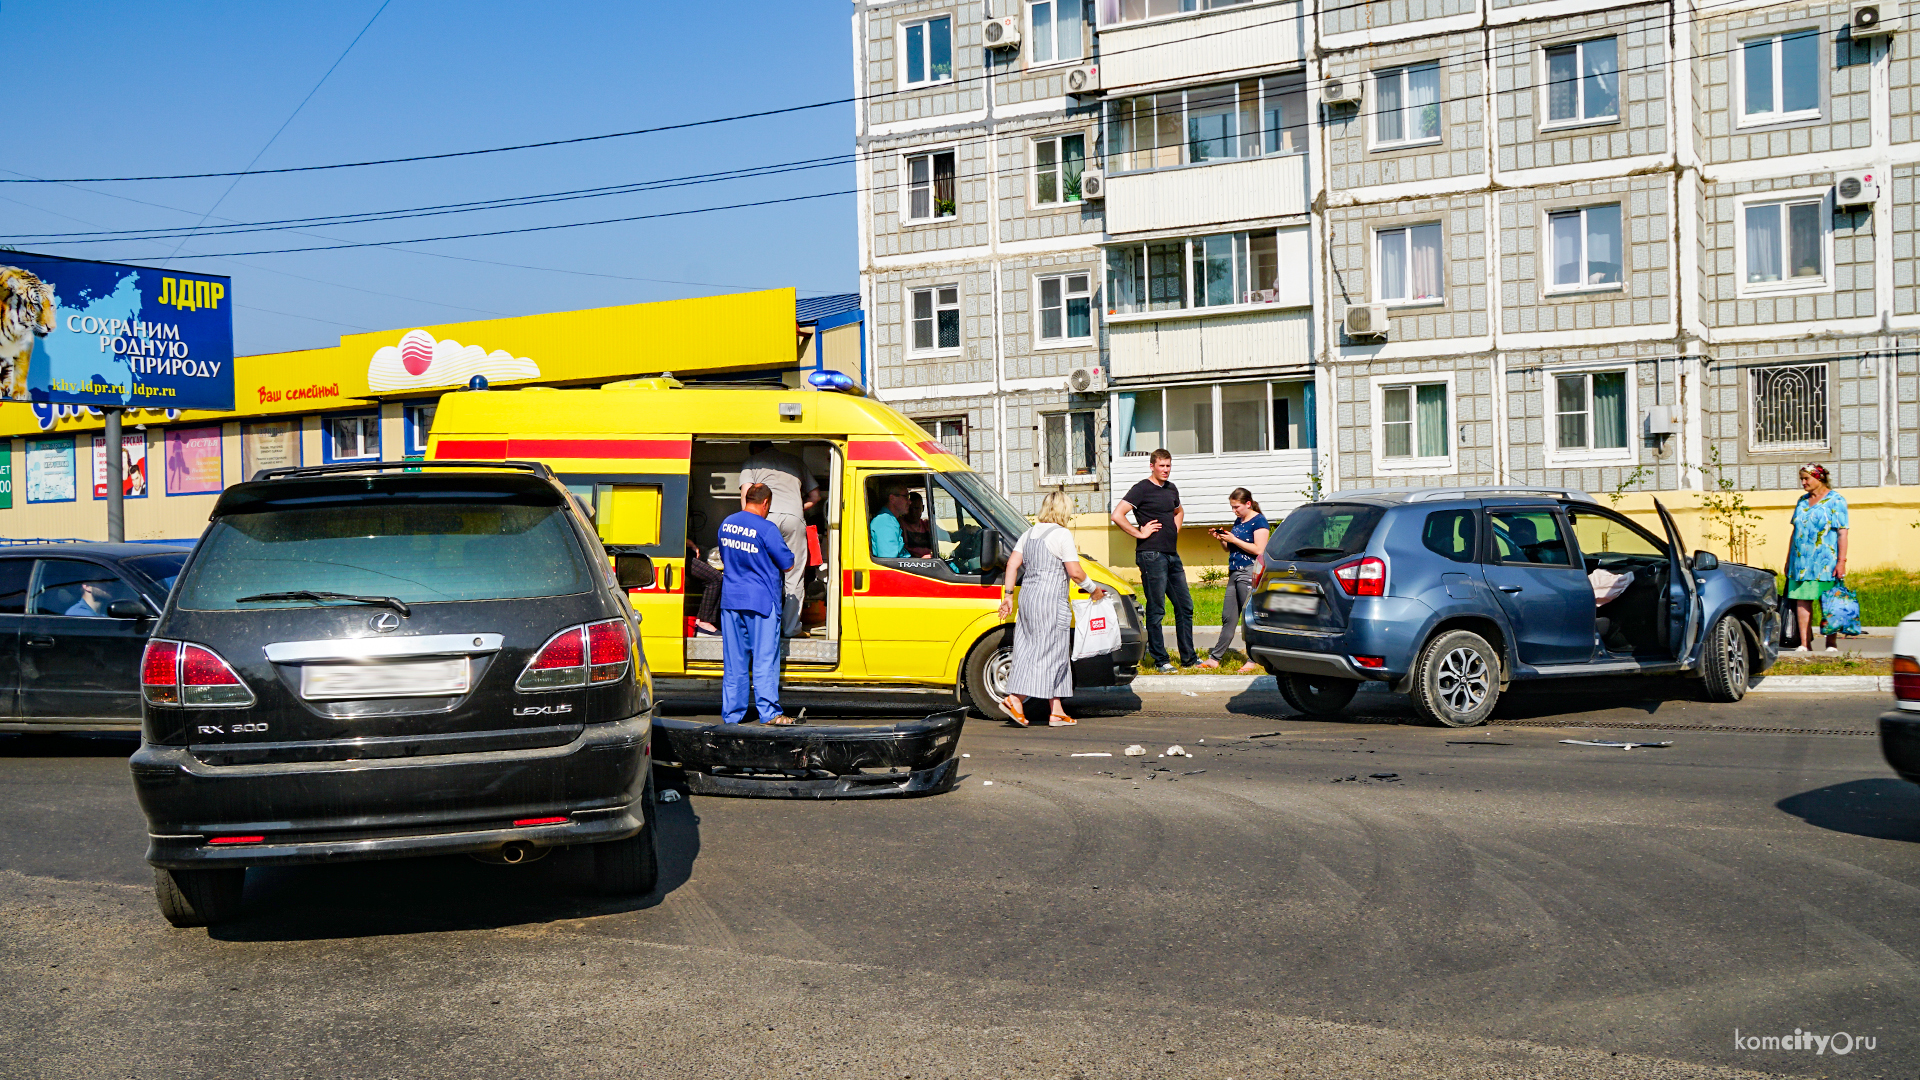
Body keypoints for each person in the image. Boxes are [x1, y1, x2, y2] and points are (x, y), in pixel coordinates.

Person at [997, 490, 1108, 727]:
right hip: (1051, 601)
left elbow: (1012, 564)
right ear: (1063, 510)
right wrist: (1094, 590)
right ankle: (1015, 699)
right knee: (1051, 653)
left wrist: (1008, 596)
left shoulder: (1029, 533)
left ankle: (1056, 710)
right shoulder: (1061, 535)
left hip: (1028, 599)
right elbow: (1075, 572)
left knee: (1032, 651)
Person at [718, 483, 797, 724]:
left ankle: (732, 715)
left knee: (734, 661)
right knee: (764, 658)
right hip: (762, 602)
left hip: (731, 600)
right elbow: (788, 564)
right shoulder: (766, 528)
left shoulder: (726, 524)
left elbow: (725, 557)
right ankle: (769, 713)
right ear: (765, 503)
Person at [1111, 449, 1196, 671]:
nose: (1166, 470)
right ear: (1152, 466)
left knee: (1185, 606)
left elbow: (1179, 511)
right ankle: (1161, 659)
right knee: (1157, 608)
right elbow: (1117, 515)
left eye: (1169, 466)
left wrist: (1174, 530)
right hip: (1151, 555)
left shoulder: (1171, 489)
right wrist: (1140, 533)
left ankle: (1189, 658)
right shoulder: (1141, 489)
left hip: (1171, 555)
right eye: (1162, 466)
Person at [738, 441, 823, 637]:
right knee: (794, 575)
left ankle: (763, 626)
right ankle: (792, 628)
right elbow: (816, 496)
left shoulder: (752, 462)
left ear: (754, 449)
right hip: (794, 518)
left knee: (761, 572)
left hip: (764, 518)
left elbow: (747, 498)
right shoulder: (795, 461)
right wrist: (795, 509)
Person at [1198, 488, 1270, 668]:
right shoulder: (1239, 520)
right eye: (1232, 507)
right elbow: (1230, 548)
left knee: (1248, 617)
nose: (1234, 511)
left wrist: (1234, 539)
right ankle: (1215, 659)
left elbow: (1259, 550)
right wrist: (1223, 539)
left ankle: (1253, 659)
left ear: (1248, 503)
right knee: (1228, 617)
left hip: (1249, 571)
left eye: (1236, 507)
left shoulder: (1259, 521)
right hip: (1234, 571)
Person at [1786, 462, 1849, 654]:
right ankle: (1805, 644)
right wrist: (1789, 559)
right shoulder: (1802, 501)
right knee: (1802, 600)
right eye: (1802, 479)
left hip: (1825, 561)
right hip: (1801, 561)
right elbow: (1795, 531)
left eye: (1807, 479)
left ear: (1819, 478)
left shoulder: (1836, 500)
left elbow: (1842, 533)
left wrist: (1841, 561)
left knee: (1829, 602)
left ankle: (1831, 643)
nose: (1803, 483)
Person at [684, 536, 722, 636]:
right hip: (674, 555)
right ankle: (703, 623)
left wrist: (687, 542)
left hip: (678, 552)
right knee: (715, 578)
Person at [870, 483, 911, 559]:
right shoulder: (885, 521)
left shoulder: (890, 520)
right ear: (892, 498)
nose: (909, 502)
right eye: (906, 497)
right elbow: (889, 561)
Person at [902, 491, 933, 557]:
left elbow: (948, 536)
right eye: (910, 509)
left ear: (923, 508)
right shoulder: (900, 525)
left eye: (916, 508)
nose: (913, 512)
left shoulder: (927, 525)